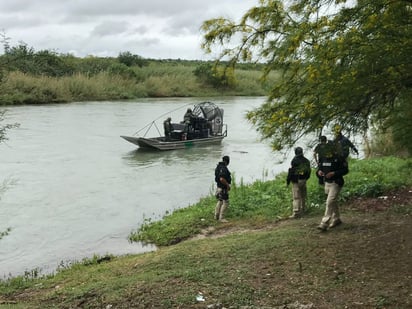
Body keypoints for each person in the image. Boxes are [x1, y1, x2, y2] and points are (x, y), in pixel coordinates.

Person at [316, 142, 349, 232]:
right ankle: (336, 219)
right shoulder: (323, 158)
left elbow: (345, 170)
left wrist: (334, 173)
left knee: (329, 202)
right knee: (332, 202)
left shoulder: (339, 158)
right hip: (327, 183)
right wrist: (319, 173)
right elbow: (319, 169)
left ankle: (324, 223)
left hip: (336, 182)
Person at [287, 147, 311, 218]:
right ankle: (303, 210)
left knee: (296, 197)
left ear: (295, 152)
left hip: (296, 181)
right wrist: (306, 178)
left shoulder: (294, 160)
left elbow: (291, 171)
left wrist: (288, 180)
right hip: (304, 180)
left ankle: (296, 212)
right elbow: (309, 171)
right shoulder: (306, 160)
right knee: (303, 196)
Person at [214, 155, 231, 222]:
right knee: (226, 202)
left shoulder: (218, 167)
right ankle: (221, 218)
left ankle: (216, 216)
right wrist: (227, 185)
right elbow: (221, 179)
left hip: (218, 187)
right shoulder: (224, 168)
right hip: (223, 188)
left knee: (220, 201)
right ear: (228, 161)